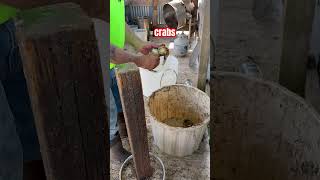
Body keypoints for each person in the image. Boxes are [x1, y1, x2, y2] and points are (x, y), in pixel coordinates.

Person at [0, 1, 106, 180]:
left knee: (35, 135)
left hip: (15, 20)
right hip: (21, 19)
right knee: (7, 159)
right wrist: (92, 5)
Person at [109, 0, 160, 163]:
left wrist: (139, 44)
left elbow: (117, 20)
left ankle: (125, 130)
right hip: (95, 61)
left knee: (118, 98)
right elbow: (102, 46)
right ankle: (114, 148)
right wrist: (140, 61)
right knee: (107, 109)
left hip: (112, 63)